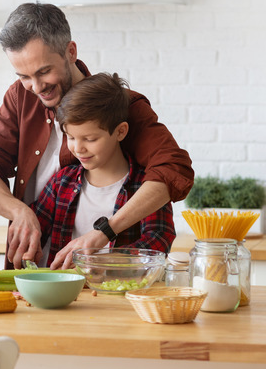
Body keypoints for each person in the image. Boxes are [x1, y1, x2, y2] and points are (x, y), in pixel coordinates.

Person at [0, 3, 193, 269]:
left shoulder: (120, 106)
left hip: (108, 278)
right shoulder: (20, 96)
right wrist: (19, 212)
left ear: (71, 52)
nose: (36, 87)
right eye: (24, 76)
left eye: (44, 71)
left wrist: (105, 233)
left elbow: (173, 169)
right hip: (38, 272)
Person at [32, 73, 175, 269]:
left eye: (90, 139)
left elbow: (159, 240)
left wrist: (103, 262)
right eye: (70, 137)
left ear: (120, 131)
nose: (78, 148)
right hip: (63, 287)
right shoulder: (61, 182)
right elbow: (35, 230)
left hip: (119, 286)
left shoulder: (146, 187)